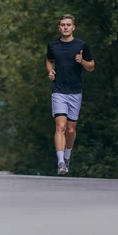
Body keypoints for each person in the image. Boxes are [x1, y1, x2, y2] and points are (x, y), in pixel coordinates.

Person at [46, 14, 95, 175]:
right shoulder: (53, 45)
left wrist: (82, 61)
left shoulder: (81, 45)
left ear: (73, 27)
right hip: (58, 90)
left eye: (68, 24)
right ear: (59, 27)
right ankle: (60, 162)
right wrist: (50, 71)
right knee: (60, 126)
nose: (65, 27)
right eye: (62, 24)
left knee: (71, 130)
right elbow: (49, 60)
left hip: (75, 91)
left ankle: (67, 156)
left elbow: (91, 67)